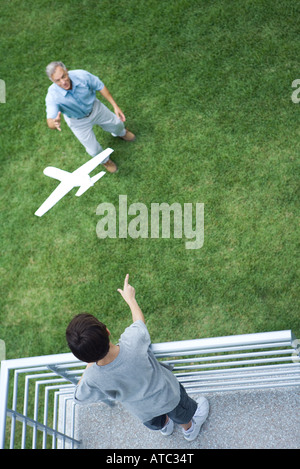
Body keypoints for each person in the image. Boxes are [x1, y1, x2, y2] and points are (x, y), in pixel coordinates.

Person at [66, 274, 209, 441]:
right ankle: (189, 428)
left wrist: (90, 363)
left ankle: (166, 426)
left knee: (158, 421)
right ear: (107, 331)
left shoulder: (92, 378)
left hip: (143, 411)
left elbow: (78, 397)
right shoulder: (132, 343)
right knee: (182, 412)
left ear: (83, 358)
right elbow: (139, 322)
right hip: (167, 395)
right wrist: (130, 299)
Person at [45, 61, 136, 173]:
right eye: (57, 80)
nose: (63, 82)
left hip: (95, 108)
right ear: (52, 81)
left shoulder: (81, 75)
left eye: (63, 76)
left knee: (117, 124)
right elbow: (50, 120)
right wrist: (54, 123)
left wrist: (115, 106)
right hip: (77, 122)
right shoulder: (52, 95)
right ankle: (105, 161)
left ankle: (121, 133)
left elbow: (100, 86)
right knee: (93, 150)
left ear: (66, 71)